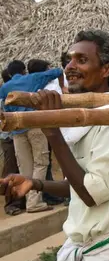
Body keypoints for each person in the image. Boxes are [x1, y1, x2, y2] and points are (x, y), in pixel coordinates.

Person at [0, 30, 109, 261]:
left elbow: (91, 193)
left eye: (82, 60)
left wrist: (52, 131)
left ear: (106, 69)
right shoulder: (80, 117)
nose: (70, 67)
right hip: (85, 246)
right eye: (69, 60)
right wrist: (35, 183)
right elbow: (77, 185)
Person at [0, 59, 63, 213]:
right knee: (40, 163)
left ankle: (29, 201)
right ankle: (35, 203)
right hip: (33, 125)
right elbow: (59, 71)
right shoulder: (32, 78)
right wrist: (63, 86)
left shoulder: (4, 87)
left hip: (16, 130)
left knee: (25, 166)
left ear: (9, 73)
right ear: (23, 71)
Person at [27, 59, 65, 206]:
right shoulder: (48, 84)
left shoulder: (30, 84)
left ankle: (46, 195)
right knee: (44, 163)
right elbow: (58, 72)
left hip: (34, 128)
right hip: (46, 126)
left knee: (42, 163)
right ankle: (47, 195)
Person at [1, 68, 24, 215]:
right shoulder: (4, 97)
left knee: (20, 168)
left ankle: (20, 201)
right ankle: (10, 204)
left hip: (15, 135)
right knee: (11, 169)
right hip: (8, 138)